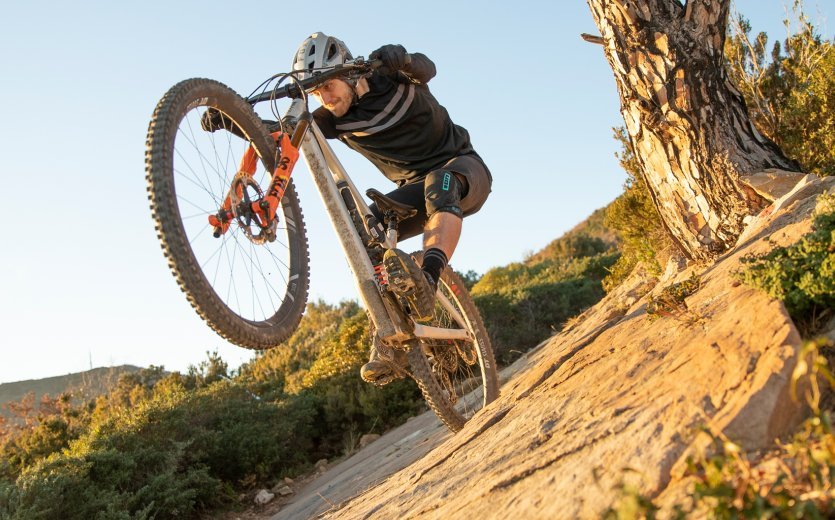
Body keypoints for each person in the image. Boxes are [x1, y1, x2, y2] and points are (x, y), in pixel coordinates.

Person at [293, 33, 493, 385]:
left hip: (461, 168)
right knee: (357, 230)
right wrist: (233, 122)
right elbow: (285, 134)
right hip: (409, 192)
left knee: (438, 184)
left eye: (329, 85)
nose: (325, 98)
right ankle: (389, 333)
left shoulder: (390, 76)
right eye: (315, 92)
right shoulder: (331, 120)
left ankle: (428, 279)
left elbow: (427, 68)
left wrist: (403, 60)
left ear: (350, 72)